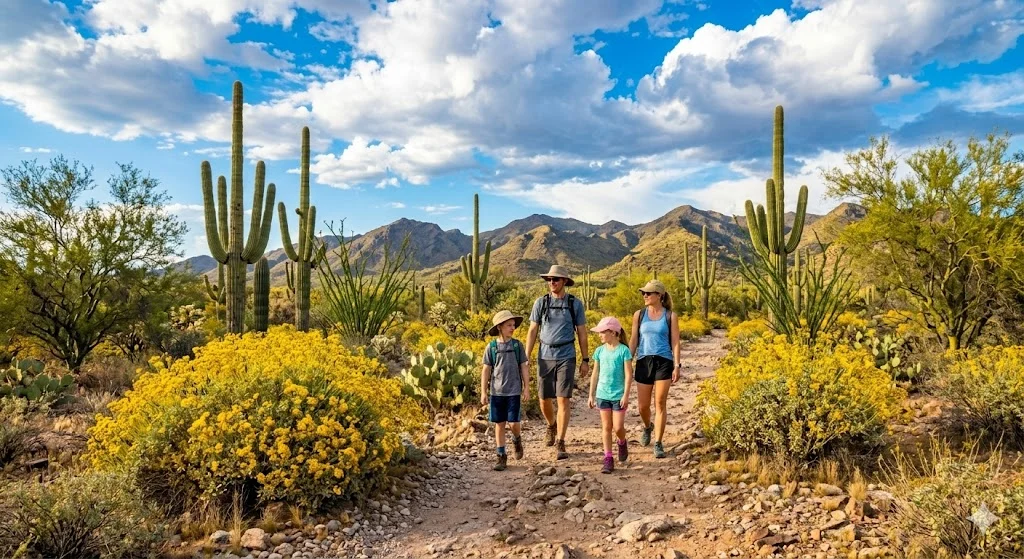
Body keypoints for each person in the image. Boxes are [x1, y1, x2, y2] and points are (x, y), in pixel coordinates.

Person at [525, 265, 588, 460]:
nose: (552, 283)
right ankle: (551, 424)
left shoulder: (574, 304)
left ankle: (561, 441)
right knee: (544, 399)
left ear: (565, 282)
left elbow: (582, 333)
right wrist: (525, 358)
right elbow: (533, 330)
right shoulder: (540, 303)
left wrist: (585, 359)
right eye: (549, 280)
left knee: (563, 399)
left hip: (566, 355)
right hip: (544, 354)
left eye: (556, 280)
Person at [628, 279, 680, 459]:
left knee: (660, 403)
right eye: (644, 293)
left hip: (664, 361)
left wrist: (677, 365)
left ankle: (658, 442)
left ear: (659, 295)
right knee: (643, 406)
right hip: (644, 361)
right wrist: (627, 359)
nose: (645, 296)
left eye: (648, 293)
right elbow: (634, 340)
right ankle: (647, 426)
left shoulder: (670, 316)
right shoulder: (639, 315)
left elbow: (675, 342)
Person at [480, 310, 530, 471]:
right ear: (500, 327)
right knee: (499, 424)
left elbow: (523, 366)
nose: (512, 328)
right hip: (496, 392)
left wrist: (527, 388)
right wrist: (483, 392)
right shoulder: (492, 347)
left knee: (514, 423)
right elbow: (486, 370)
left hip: (514, 391)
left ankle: (517, 438)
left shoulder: (517, 345)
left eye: (513, 325)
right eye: (509, 325)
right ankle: (501, 455)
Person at [587, 316, 633, 474]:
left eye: (602, 332)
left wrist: (626, 395)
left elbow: (628, 374)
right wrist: (591, 395)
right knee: (606, 427)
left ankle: (622, 441)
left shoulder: (623, 351)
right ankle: (608, 458)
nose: (599, 335)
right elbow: (595, 374)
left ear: (613, 332)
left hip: (618, 395)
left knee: (618, 427)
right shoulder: (599, 351)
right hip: (602, 394)